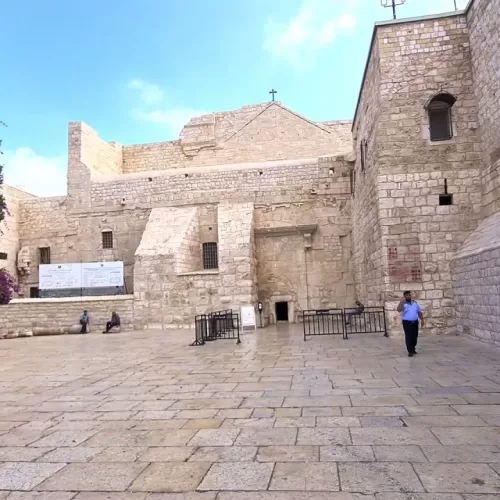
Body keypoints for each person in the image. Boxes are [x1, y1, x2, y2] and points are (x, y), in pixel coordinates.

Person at [397, 291, 424, 357]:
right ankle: (410, 351)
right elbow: (398, 309)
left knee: (414, 336)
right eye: (406, 295)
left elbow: (419, 312)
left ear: (410, 296)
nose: (408, 296)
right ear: (404, 296)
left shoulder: (415, 303)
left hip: (415, 322)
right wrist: (401, 302)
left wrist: (422, 320)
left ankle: (413, 347)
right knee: (408, 336)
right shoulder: (403, 304)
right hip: (407, 322)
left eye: (409, 295)